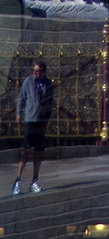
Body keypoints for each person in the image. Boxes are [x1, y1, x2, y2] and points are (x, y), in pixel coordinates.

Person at [13, 60, 54, 195]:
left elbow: (50, 102)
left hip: (41, 121)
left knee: (38, 152)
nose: (35, 73)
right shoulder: (28, 82)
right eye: (34, 71)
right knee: (26, 150)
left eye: (37, 71)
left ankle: (35, 180)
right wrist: (19, 113)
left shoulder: (48, 84)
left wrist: (47, 118)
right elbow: (21, 98)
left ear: (43, 72)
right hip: (30, 119)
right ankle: (18, 180)